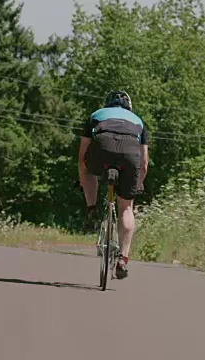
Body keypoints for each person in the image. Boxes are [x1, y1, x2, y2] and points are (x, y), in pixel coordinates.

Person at [77, 90, 149, 279]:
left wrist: (83, 178)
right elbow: (144, 164)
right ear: (129, 107)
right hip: (130, 154)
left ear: (107, 104)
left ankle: (91, 209)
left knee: (88, 169)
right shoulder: (138, 121)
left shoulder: (96, 115)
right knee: (126, 207)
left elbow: (81, 157)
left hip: (102, 147)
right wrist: (137, 184)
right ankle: (123, 259)